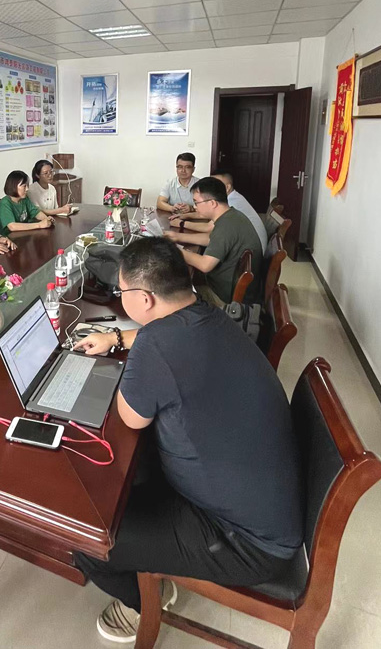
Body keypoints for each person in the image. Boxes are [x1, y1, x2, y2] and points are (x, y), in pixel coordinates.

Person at [72, 237, 303, 643]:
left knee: (85, 536)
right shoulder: (210, 313)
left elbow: (130, 417)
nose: (121, 298)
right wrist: (119, 339)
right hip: (259, 502)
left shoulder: (157, 345)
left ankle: (146, 601)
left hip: (246, 541)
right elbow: (166, 341)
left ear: (144, 299)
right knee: (130, 475)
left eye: (122, 292)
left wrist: (136, 357)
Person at [169, 177, 263, 306]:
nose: (195, 207)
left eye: (196, 202)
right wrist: (178, 237)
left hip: (223, 297)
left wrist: (173, 250)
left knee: (173, 291)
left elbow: (205, 265)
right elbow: (211, 239)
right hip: (227, 284)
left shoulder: (226, 225)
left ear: (212, 203)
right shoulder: (232, 215)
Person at [168, 171, 268, 253]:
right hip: (248, 250)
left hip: (249, 254)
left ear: (227, 187)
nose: (212, 187)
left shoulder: (232, 203)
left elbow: (209, 228)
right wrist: (186, 216)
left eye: (216, 184)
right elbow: (207, 215)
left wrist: (182, 224)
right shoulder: (232, 198)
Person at [0, 170, 55, 236]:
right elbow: (12, 226)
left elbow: (36, 212)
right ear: (14, 186)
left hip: (22, 235)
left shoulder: (25, 199)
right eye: (24, 186)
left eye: (27, 185)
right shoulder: (4, 203)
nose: (27, 189)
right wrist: (39, 225)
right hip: (7, 238)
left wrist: (46, 218)